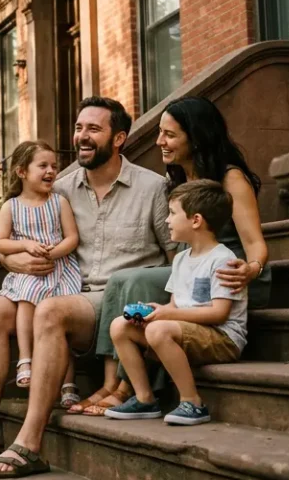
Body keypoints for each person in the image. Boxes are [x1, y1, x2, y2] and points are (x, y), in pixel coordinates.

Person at [0, 97, 174, 478]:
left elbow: (177, 256)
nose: (82, 136)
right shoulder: (57, 189)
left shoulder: (152, 188)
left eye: (93, 129)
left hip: (118, 302)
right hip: (67, 289)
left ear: (119, 139)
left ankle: (30, 443)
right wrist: (13, 261)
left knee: (51, 309)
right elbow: (13, 242)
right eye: (79, 128)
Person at [71, 96, 270, 415]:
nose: (159, 141)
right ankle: (111, 381)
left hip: (227, 276)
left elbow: (255, 243)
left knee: (136, 280)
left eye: (170, 134)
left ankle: (126, 388)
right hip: (191, 270)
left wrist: (252, 268)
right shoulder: (176, 177)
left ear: (196, 137)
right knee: (123, 281)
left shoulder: (230, 177)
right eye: (160, 132)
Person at [104, 180, 247, 425]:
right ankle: (145, 398)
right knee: (120, 326)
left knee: (158, 330)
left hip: (223, 338)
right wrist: (156, 311)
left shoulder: (222, 259)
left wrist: (166, 317)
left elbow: (219, 313)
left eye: (172, 213)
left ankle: (193, 402)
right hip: (187, 331)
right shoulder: (181, 259)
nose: (167, 220)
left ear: (196, 220)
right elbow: (175, 305)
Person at [0, 140, 81, 403]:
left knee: (61, 319)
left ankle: (68, 383)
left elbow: (72, 238)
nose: (50, 171)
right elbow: (0, 243)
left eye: (54, 166)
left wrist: (53, 253)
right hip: (29, 273)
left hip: (59, 269)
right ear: (22, 171)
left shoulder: (59, 202)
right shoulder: (11, 207)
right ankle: (25, 359)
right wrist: (26, 245)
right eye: (43, 166)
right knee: (27, 296)